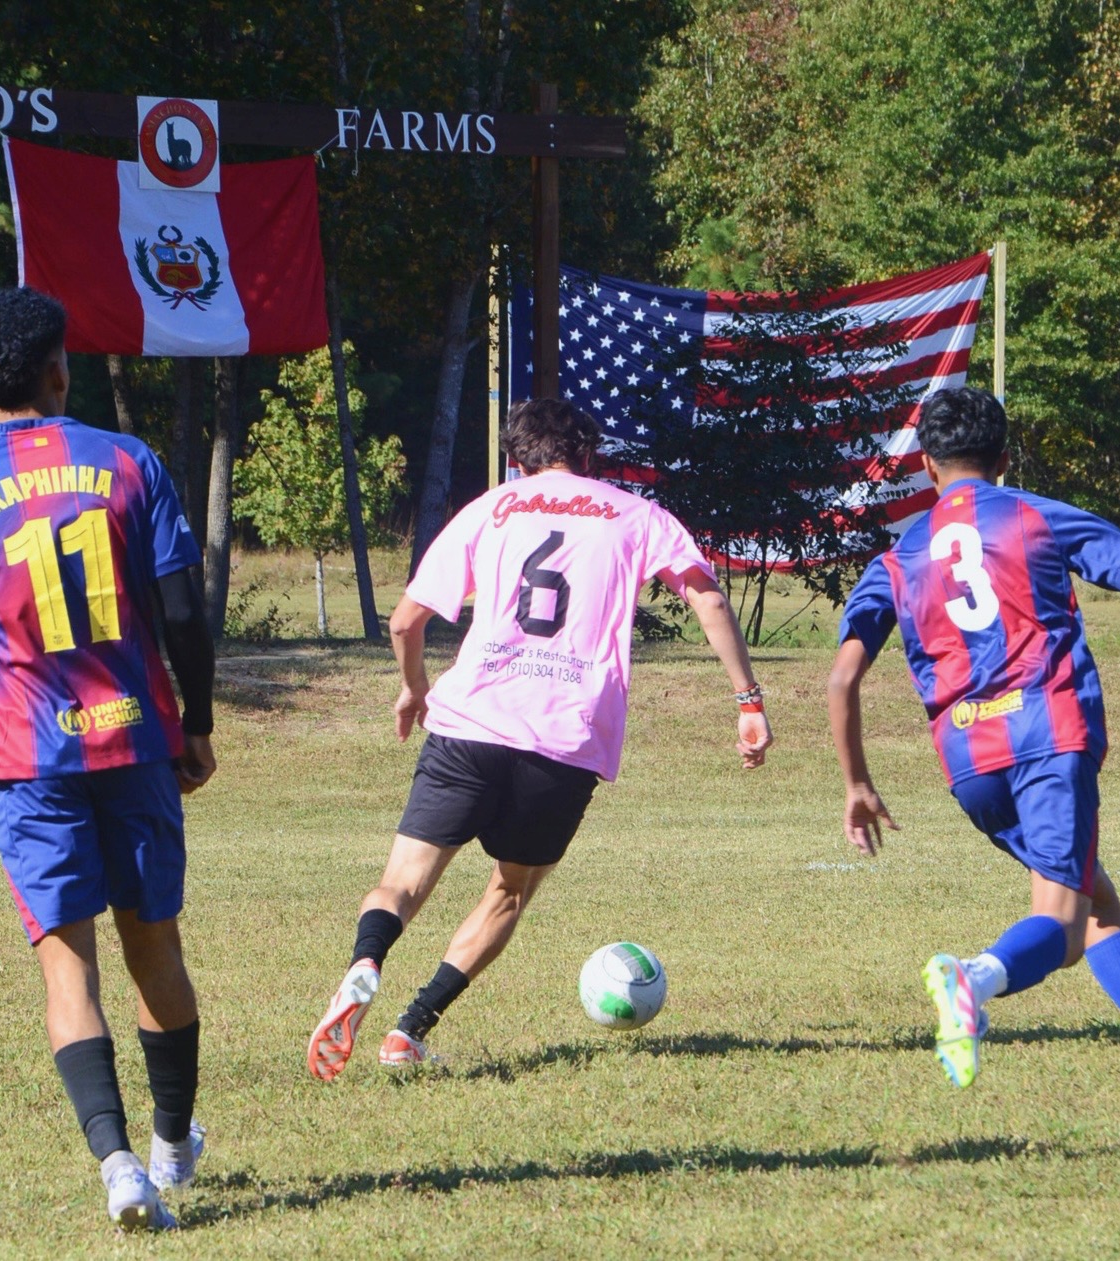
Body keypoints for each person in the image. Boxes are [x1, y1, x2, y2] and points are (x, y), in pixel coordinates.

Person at [307, 397, 773, 1080]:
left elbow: (406, 621)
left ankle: (365, 962)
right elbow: (706, 597)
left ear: (514, 461)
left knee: (400, 883)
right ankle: (409, 1028)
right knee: (508, 891)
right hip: (563, 738)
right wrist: (747, 700)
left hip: (468, 723)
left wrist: (413, 687)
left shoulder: (490, 508)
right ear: (588, 455)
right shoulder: (634, 514)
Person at [0, 287, 216, 1229]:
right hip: (134, 741)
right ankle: (174, 1145)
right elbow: (180, 609)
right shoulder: (129, 461)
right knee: (156, 949)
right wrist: (199, 722)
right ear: (57, 368)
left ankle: (120, 1166)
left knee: (69, 969)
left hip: (28, 757)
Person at [828, 385, 1120, 1088]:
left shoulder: (897, 557)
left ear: (927, 466)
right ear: (1004, 457)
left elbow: (839, 680)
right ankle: (972, 979)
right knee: (1059, 916)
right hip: (1047, 731)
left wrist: (856, 783)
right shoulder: (1029, 513)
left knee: (1096, 903)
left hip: (968, 760)